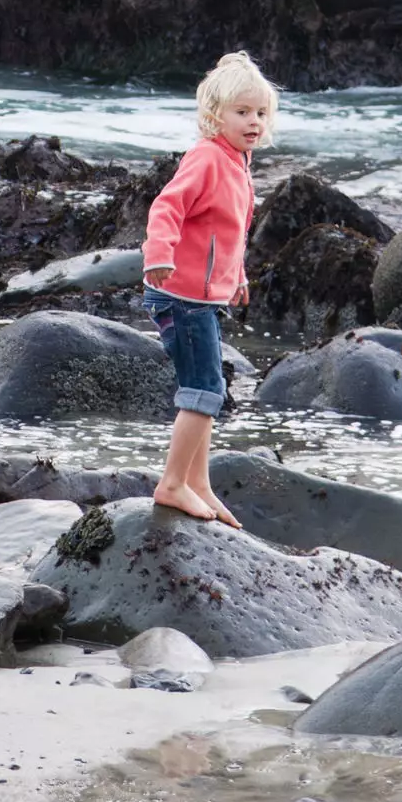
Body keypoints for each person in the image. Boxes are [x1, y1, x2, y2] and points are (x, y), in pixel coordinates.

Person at [142, 50, 277, 525]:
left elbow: (226, 229)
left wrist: (235, 276)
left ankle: (198, 482)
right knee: (202, 391)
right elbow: (167, 208)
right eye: (242, 112)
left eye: (261, 113)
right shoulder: (206, 158)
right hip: (179, 294)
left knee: (207, 388)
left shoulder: (237, 162)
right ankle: (172, 483)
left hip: (202, 295)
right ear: (214, 115)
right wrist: (158, 253)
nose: (253, 121)